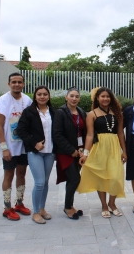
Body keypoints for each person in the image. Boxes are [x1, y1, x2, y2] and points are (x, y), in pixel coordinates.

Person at [77, 87, 127, 218]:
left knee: (116, 177)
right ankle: (104, 205)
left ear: (111, 98)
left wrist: (124, 151)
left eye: (108, 96)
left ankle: (112, 203)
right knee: (101, 177)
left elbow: (121, 133)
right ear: (97, 98)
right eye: (102, 96)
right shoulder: (92, 114)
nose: (105, 99)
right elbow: (89, 135)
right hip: (99, 148)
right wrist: (85, 153)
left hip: (114, 147)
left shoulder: (118, 113)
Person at [0, 72, 32, 220]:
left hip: (23, 146)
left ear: (23, 84)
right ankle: (7, 207)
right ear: (9, 84)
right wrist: (4, 148)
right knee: (9, 175)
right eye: (13, 82)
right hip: (9, 147)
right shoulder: (2, 101)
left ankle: (19, 203)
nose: (17, 84)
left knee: (21, 174)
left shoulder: (27, 100)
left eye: (19, 82)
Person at [17, 86, 56, 224]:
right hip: (35, 152)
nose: (42, 96)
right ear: (35, 96)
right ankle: (36, 212)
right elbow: (21, 130)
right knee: (39, 182)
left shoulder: (53, 112)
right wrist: (34, 143)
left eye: (45, 94)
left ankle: (42, 208)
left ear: (49, 96)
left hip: (50, 153)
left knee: (45, 182)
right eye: (39, 94)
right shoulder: (29, 112)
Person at [53, 87, 86, 220]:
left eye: (77, 96)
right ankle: (67, 207)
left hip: (78, 152)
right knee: (74, 179)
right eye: (71, 96)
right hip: (65, 152)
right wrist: (70, 150)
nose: (74, 99)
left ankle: (70, 205)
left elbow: (83, 133)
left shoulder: (81, 112)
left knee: (72, 180)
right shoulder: (60, 113)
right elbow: (57, 134)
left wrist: (81, 152)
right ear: (66, 97)